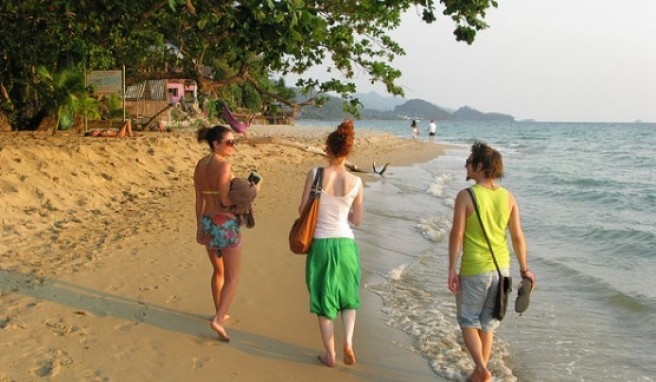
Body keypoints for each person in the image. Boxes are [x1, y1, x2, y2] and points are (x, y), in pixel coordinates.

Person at [448, 141, 536, 382]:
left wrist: (451, 270)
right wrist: (525, 269)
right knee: (487, 325)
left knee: (467, 320)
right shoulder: (508, 197)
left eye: (469, 162)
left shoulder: (466, 196)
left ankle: (482, 370)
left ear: (479, 166)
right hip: (502, 271)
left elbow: (456, 235)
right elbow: (517, 236)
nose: (465, 165)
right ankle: (479, 374)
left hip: (474, 269)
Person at [300, 120, 364, 368]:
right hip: (346, 243)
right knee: (349, 297)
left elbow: (303, 208)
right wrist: (343, 212)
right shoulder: (357, 183)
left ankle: (331, 354)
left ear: (328, 149)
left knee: (324, 299)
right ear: (348, 152)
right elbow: (357, 220)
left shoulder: (315, 174)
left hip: (322, 244)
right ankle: (348, 341)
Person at [194, 125, 258, 342]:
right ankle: (219, 319)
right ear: (216, 144)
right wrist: (252, 192)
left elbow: (199, 199)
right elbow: (225, 200)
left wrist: (199, 227)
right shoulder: (224, 167)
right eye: (230, 142)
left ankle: (220, 310)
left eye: (234, 142)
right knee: (232, 276)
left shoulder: (200, 165)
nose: (233, 146)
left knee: (218, 271)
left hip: (207, 222)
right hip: (225, 224)